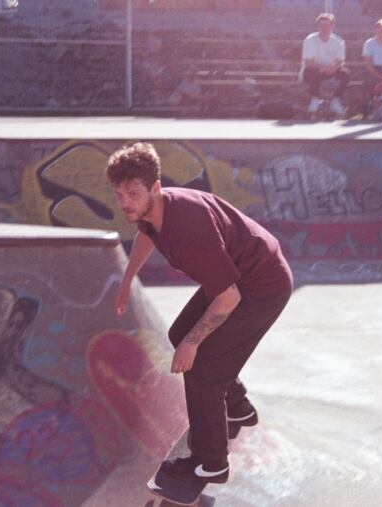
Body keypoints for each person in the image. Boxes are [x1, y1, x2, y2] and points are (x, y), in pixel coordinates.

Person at [106, 142, 293, 484]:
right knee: (181, 334)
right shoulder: (153, 210)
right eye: (119, 194)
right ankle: (238, 408)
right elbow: (145, 235)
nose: (125, 204)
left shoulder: (189, 232)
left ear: (155, 188)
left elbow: (228, 298)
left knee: (203, 369)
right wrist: (127, 279)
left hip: (261, 287)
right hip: (238, 276)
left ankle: (211, 463)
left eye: (133, 194)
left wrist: (193, 345)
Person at [300, 12, 351, 117]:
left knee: (346, 73)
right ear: (318, 26)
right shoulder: (309, 40)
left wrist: (333, 68)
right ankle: (315, 99)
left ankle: (336, 101)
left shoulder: (339, 41)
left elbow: (340, 61)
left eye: (327, 25)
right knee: (309, 71)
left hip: (331, 71)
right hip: (314, 71)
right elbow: (309, 62)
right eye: (321, 25)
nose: (324, 28)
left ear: (332, 26)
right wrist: (323, 69)